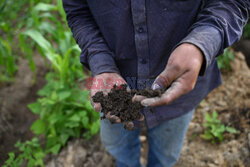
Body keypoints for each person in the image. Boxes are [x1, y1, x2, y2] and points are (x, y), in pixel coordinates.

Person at [63, 0, 249, 166]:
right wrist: (102, 64)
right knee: (119, 147)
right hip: (114, 87)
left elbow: (232, 3)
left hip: (178, 87)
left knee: (165, 154)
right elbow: (78, 10)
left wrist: (201, 44)